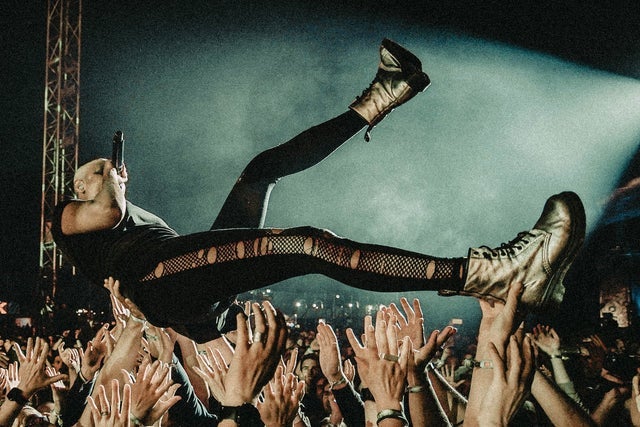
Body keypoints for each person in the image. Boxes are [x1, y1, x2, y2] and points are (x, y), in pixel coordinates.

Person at [51, 38, 586, 343]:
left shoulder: (123, 219)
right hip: (157, 282)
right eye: (92, 174)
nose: (100, 174)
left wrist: (117, 189)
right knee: (307, 244)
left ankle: (382, 96)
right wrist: (110, 181)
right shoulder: (66, 215)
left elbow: (123, 214)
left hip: (179, 282)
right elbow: (108, 208)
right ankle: (489, 275)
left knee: (259, 171)